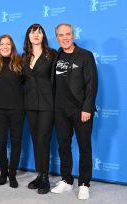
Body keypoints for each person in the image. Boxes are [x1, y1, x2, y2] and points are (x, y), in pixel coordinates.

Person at [50, 23, 98, 200]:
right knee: (64, 146)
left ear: (73, 35)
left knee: (84, 147)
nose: (65, 38)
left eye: (68, 34)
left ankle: (84, 183)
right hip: (60, 110)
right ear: (57, 38)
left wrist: (87, 108)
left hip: (80, 110)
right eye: (61, 35)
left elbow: (91, 84)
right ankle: (67, 180)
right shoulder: (57, 55)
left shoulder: (85, 55)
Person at [22, 24, 56, 194]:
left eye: (39, 32)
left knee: (43, 139)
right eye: (33, 32)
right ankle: (39, 174)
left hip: (47, 105)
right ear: (28, 36)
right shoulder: (24, 57)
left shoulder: (52, 54)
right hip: (30, 105)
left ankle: (45, 178)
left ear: (43, 36)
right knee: (36, 140)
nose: (36, 35)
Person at [0, 34, 24, 188]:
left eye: (8, 44)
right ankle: (3, 172)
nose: (5, 46)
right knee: (1, 142)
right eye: (2, 44)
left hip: (17, 109)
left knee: (16, 142)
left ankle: (12, 174)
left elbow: (28, 85)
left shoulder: (19, 62)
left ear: (12, 46)